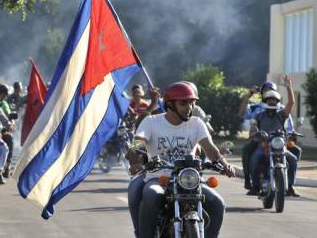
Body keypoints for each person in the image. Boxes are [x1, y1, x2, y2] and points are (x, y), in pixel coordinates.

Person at [128, 82, 235, 238]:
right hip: (159, 179)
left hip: (189, 180)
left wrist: (224, 165)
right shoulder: (151, 122)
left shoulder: (197, 123)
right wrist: (136, 161)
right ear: (170, 105)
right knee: (152, 195)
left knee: (218, 203)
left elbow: (210, 149)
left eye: (192, 103)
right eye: (183, 103)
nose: (189, 107)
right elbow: (137, 144)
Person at [239, 81, 301, 190]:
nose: (271, 101)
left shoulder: (281, 112)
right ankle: (253, 184)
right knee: (254, 157)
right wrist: (254, 133)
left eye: (273, 98)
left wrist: (289, 87)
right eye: (269, 98)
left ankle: (290, 186)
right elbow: (248, 120)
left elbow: (291, 103)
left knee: (293, 158)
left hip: (279, 142)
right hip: (262, 142)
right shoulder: (258, 112)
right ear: (264, 97)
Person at [0, 83, 15, 178]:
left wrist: (11, 124)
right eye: (0, 93)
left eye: (4, 94)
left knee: (9, 139)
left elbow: (8, 114)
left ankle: (7, 165)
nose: (2, 96)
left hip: (1, 130)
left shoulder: (4, 104)